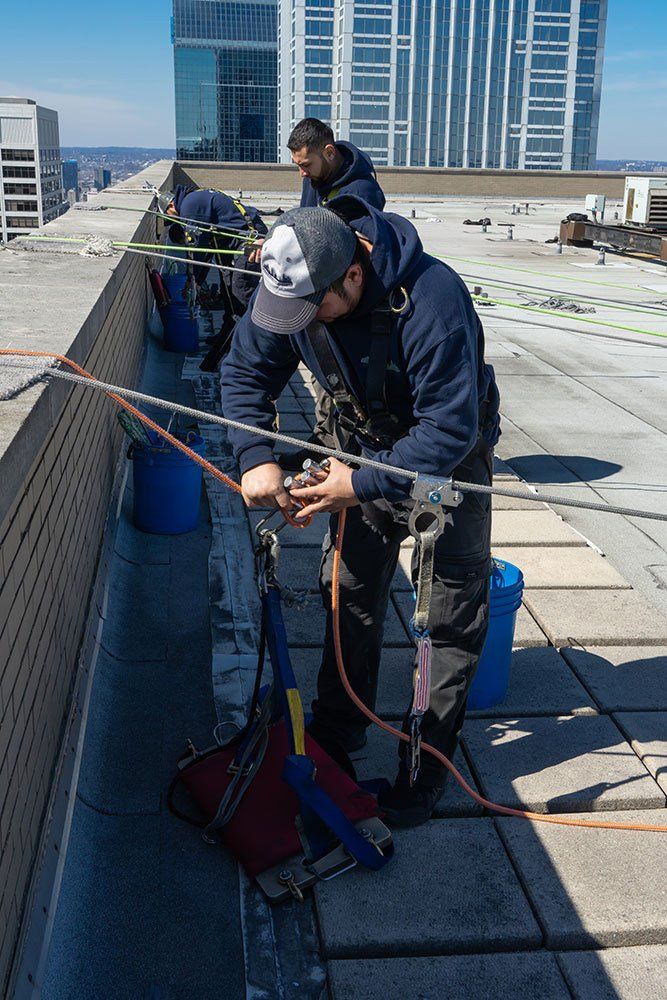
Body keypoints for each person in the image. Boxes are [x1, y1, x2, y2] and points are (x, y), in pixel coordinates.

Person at [220, 196, 500, 828]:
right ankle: (341, 727)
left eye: (310, 310)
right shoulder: (295, 285)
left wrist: (361, 482)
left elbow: (449, 430)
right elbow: (244, 373)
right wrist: (254, 455)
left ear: (353, 273)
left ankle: (425, 766)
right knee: (348, 590)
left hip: (446, 462)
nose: (296, 322)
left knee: (447, 616)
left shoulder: (433, 301)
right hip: (361, 442)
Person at [279, 119, 386, 464]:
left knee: (335, 373)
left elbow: (342, 249)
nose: (301, 174)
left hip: (340, 296)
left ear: (328, 152)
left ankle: (336, 451)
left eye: (305, 165)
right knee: (323, 372)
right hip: (318, 288)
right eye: (296, 166)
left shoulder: (361, 193)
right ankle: (326, 441)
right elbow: (305, 220)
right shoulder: (318, 176)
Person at [158, 185, 267, 313]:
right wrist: (197, 280)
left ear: (170, 205)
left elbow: (198, 249)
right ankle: (229, 331)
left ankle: (254, 329)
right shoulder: (193, 200)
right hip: (237, 241)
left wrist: (192, 279)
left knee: (240, 288)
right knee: (227, 287)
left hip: (252, 241)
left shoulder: (189, 207)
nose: (173, 220)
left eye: (168, 216)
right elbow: (207, 252)